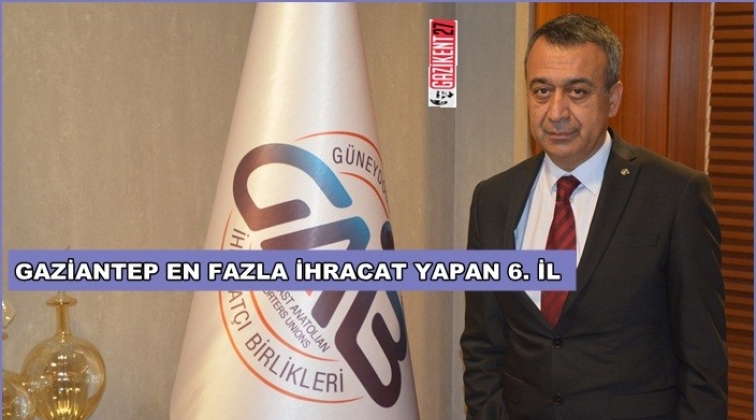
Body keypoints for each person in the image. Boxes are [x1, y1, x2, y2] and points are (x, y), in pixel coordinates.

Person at [461, 14, 728, 420]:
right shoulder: (492, 198)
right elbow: (483, 343)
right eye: (542, 90)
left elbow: (704, 361)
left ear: (613, 98)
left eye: (578, 92)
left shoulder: (675, 195)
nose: (556, 112)